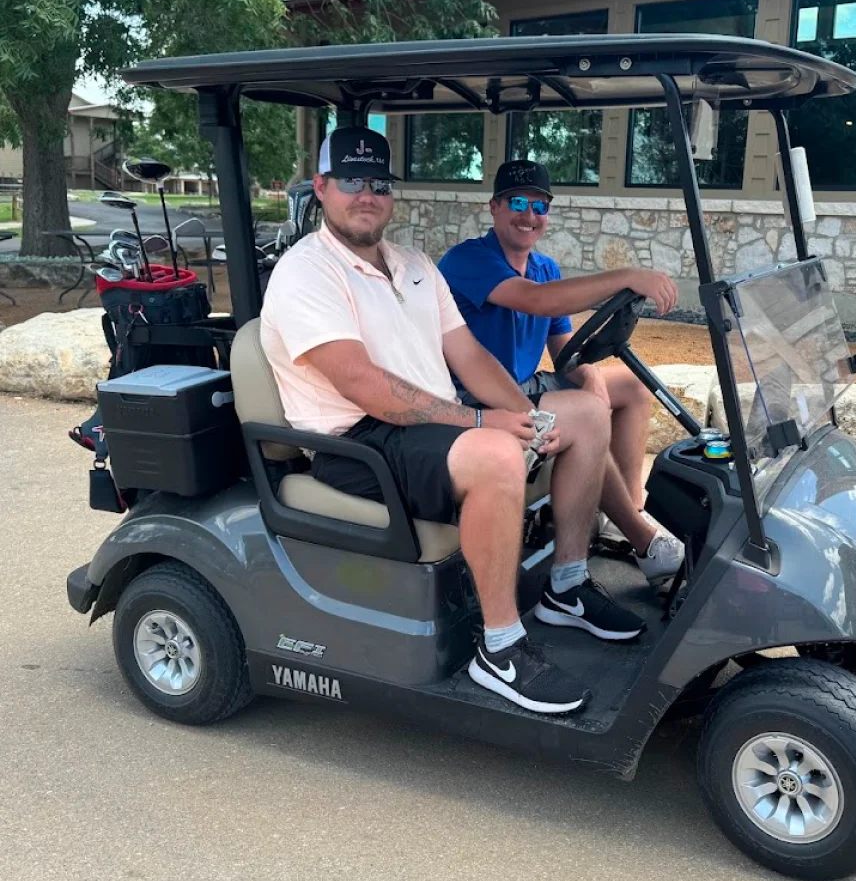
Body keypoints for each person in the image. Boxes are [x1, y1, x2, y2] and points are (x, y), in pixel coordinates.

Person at [260, 127, 649, 718]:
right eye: (351, 183)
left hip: (424, 429)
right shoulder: (305, 273)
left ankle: (566, 584)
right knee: (495, 454)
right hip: (354, 443)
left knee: (587, 411)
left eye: (378, 184)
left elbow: (468, 356)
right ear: (322, 187)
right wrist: (481, 421)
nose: (366, 196)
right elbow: (364, 386)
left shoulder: (414, 265)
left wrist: (526, 414)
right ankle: (499, 648)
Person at [438, 159, 684, 584]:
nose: (529, 216)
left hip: (525, 383)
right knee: (586, 414)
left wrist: (589, 377)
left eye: (540, 207)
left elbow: (563, 349)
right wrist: (627, 276)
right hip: (477, 397)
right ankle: (642, 539)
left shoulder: (545, 268)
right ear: (494, 207)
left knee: (629, 387)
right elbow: (539, 302)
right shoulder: (468, 260)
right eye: (518, 203)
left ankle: (620, 519)